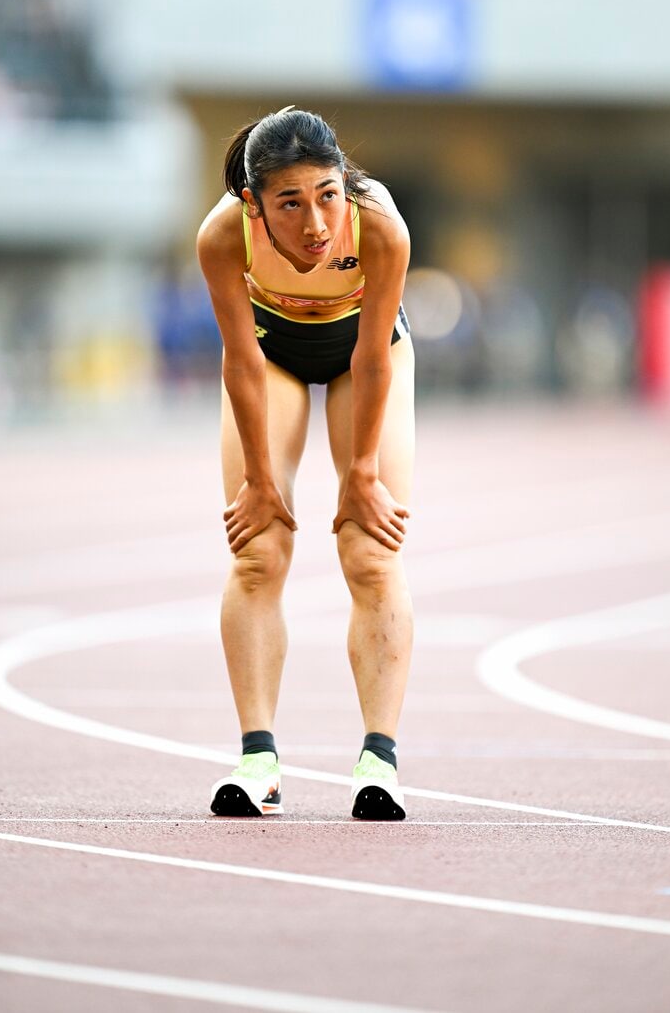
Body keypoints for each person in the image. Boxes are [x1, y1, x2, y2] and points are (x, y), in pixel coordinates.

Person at [196, 107, 414, 821]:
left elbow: (373, 359)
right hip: (272, 357)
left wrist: (361, 475)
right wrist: (260, 480)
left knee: (369, 549)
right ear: (255, 204)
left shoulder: (378, 225)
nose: (316, 224)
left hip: (365, 356)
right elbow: (241, 360)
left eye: (325, 194)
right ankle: (257, 758)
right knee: (258, 549)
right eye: (290, 203)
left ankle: (378, 760)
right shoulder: (223, 234)